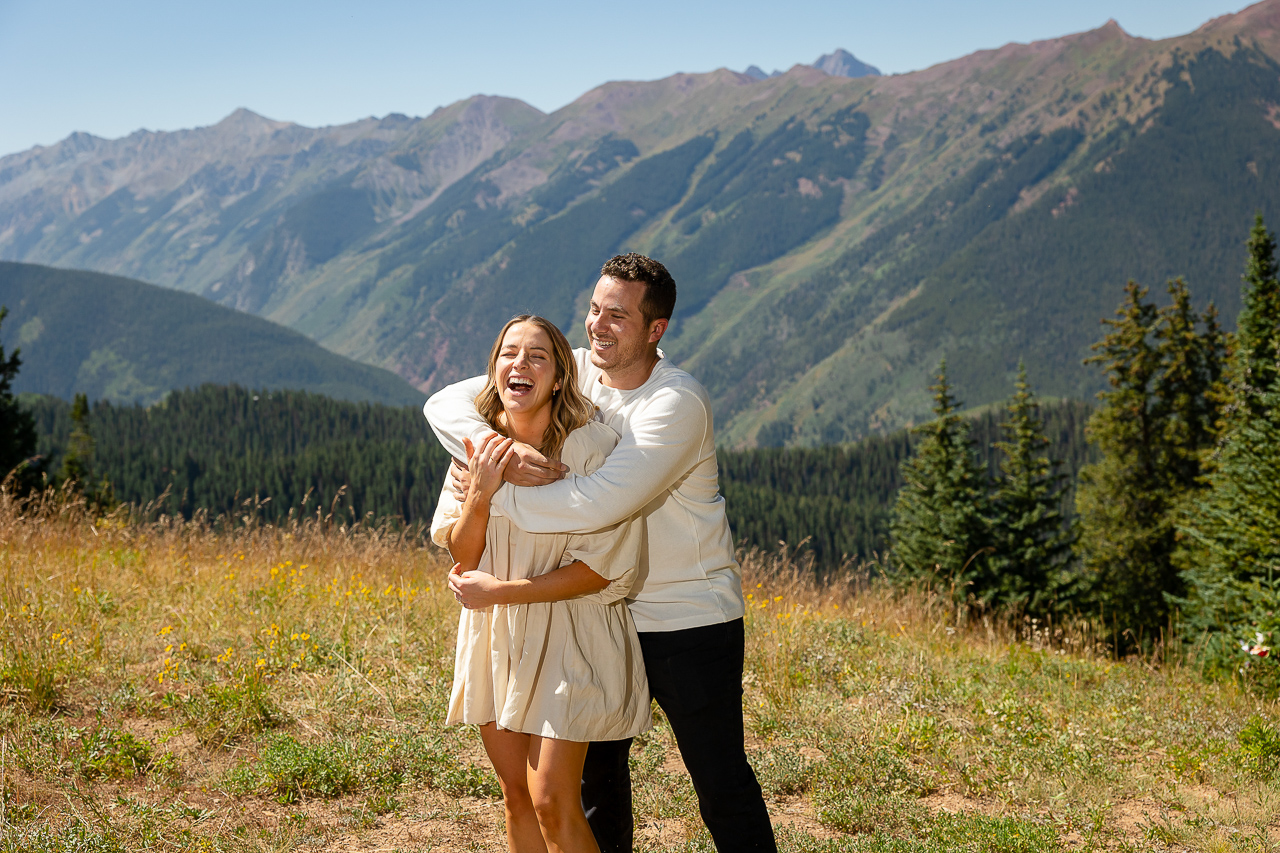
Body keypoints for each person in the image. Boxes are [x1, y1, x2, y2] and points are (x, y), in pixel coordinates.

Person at [426, 254, 777, 852]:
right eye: (594, 309)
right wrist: (493, 447)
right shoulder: (576, 371)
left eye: (617, 315)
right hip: (591, 616)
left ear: (655, 329)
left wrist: (490, 490)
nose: (598, 325)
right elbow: (444, 403)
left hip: (683, 617)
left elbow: (595, 505)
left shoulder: (675, 403)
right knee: (595, 788)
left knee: (718, 781)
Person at [430, 315, 651, 853]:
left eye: (537, 356)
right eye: (509, 354)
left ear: (559, 377)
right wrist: (482, 490)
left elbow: (602, 570)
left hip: (572, 630)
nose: (519, 365)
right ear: (493, 370)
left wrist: (501, 592)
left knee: (552, 797)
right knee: (517, 797)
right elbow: (463, 553)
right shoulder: (475, 449)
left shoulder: (593, 450)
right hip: (498, 635)